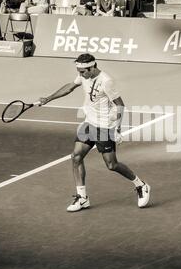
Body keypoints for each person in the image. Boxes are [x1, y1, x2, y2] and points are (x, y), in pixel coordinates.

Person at [37, 54, 151, 212]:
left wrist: (117, 128)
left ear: (92, 68)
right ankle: (82, 198)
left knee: (112, 165)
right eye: (78, 71)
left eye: (83, 72)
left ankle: (141, 185)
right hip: (88, 123)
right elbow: (70, 86)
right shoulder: (83, 75)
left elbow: (120, 105)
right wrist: (48, 99)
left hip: (104, 126)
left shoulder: (106, 81)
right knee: (76, 156)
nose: (80, 75)